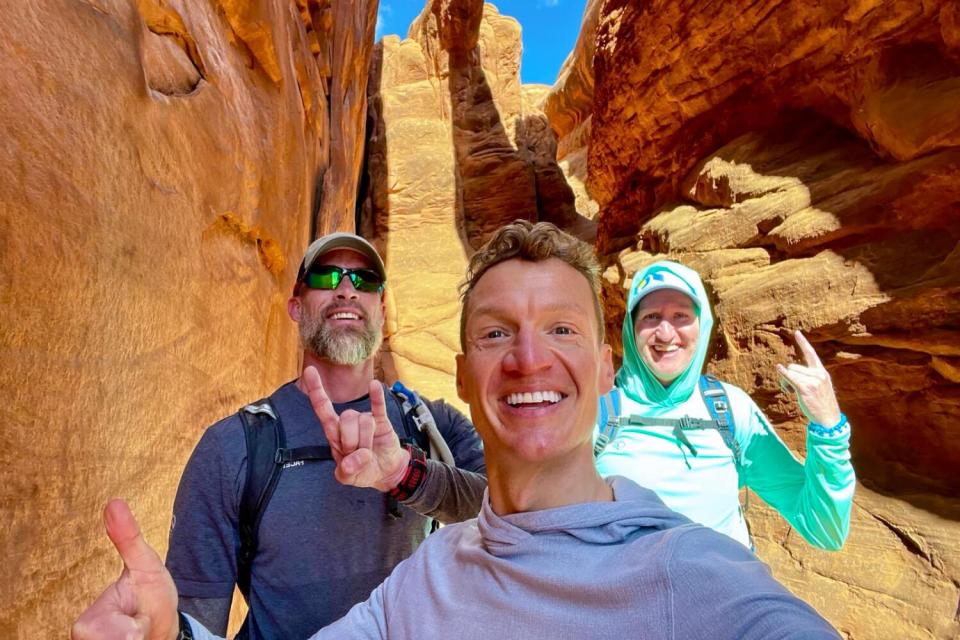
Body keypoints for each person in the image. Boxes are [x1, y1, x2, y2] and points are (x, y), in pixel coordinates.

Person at [73, 221, 840, 640]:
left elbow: (496, 502)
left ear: (608, 371)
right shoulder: (415, 585)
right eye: (500, 334)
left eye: (365, 278)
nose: (532, 356)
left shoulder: (692, 573)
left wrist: (405, 474)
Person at [164, 232, 486, 638]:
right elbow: (195, 619)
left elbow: (511, 513)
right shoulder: (233, 447)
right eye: (326, 278)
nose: (347, 290)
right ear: (295, 307)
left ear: (383, 310)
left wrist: (407, 475)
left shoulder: (433, 425)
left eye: (364, 280)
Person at [594, 260, 855, 550]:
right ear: (632, 329)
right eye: (652, 317)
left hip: (726, 592)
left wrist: (829, 426)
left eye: (681, 316)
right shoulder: (595, 413)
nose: (666, 334)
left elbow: (823, 531)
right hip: (634, 593)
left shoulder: (729, 409)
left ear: (702, 325)